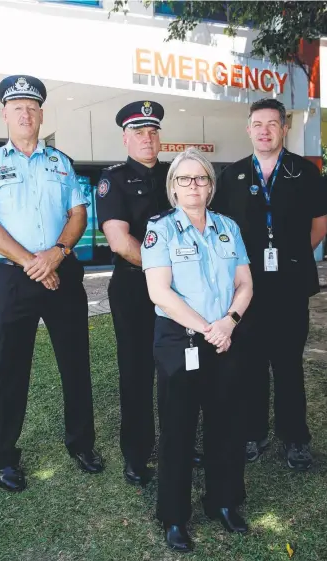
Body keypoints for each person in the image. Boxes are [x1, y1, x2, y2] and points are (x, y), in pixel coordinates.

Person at [0, 75, 103, 492]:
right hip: (12, 277)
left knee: (75, 362)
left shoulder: (61, 162)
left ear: (41, 114)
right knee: (7, 370)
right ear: (5, 114)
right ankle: (4, 457)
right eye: (17, 107)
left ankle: (81, 443)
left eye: (32, 107)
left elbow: (77, 214)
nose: (26, 114)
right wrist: (32, 262)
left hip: (61, 269)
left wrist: (56, 255)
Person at [141, 148, 253, 553]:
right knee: (178, 429)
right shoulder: (161, 230)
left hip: (225, 338)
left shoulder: (228, 228)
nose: (194, 186)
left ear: (211, 185)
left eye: (201, 179)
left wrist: (229, 323)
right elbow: (159, 291)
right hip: (181, 340)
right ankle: (174, 517)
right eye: (184, 179)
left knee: (227, 424)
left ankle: (223, 502)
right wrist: (208, 327)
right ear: (173, 187)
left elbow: (245, 284)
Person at [213, 98, 327, 469]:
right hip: (246, 290)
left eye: (272, 123)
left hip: (290, 288)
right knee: (249, 363)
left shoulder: (305, 172)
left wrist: (292, 259)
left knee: (288, 364)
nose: (264, 130)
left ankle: (295, 438)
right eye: (257, 123)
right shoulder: (230, 176)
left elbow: (319, 226)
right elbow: (222, 234)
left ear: (284, 128)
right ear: (248, 129)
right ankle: (253, 433)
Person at [95, 101, 203, 487]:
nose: (147, 138)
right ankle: (137, 455)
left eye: (153, 131)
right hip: (134, 289)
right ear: (125, 137)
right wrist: (165, 274)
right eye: (139, 132)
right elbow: (120, 241)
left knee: (180, 370)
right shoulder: (115, 179)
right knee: (137, 373)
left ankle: (180, 444)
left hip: (182, 290)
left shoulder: (177, 177)